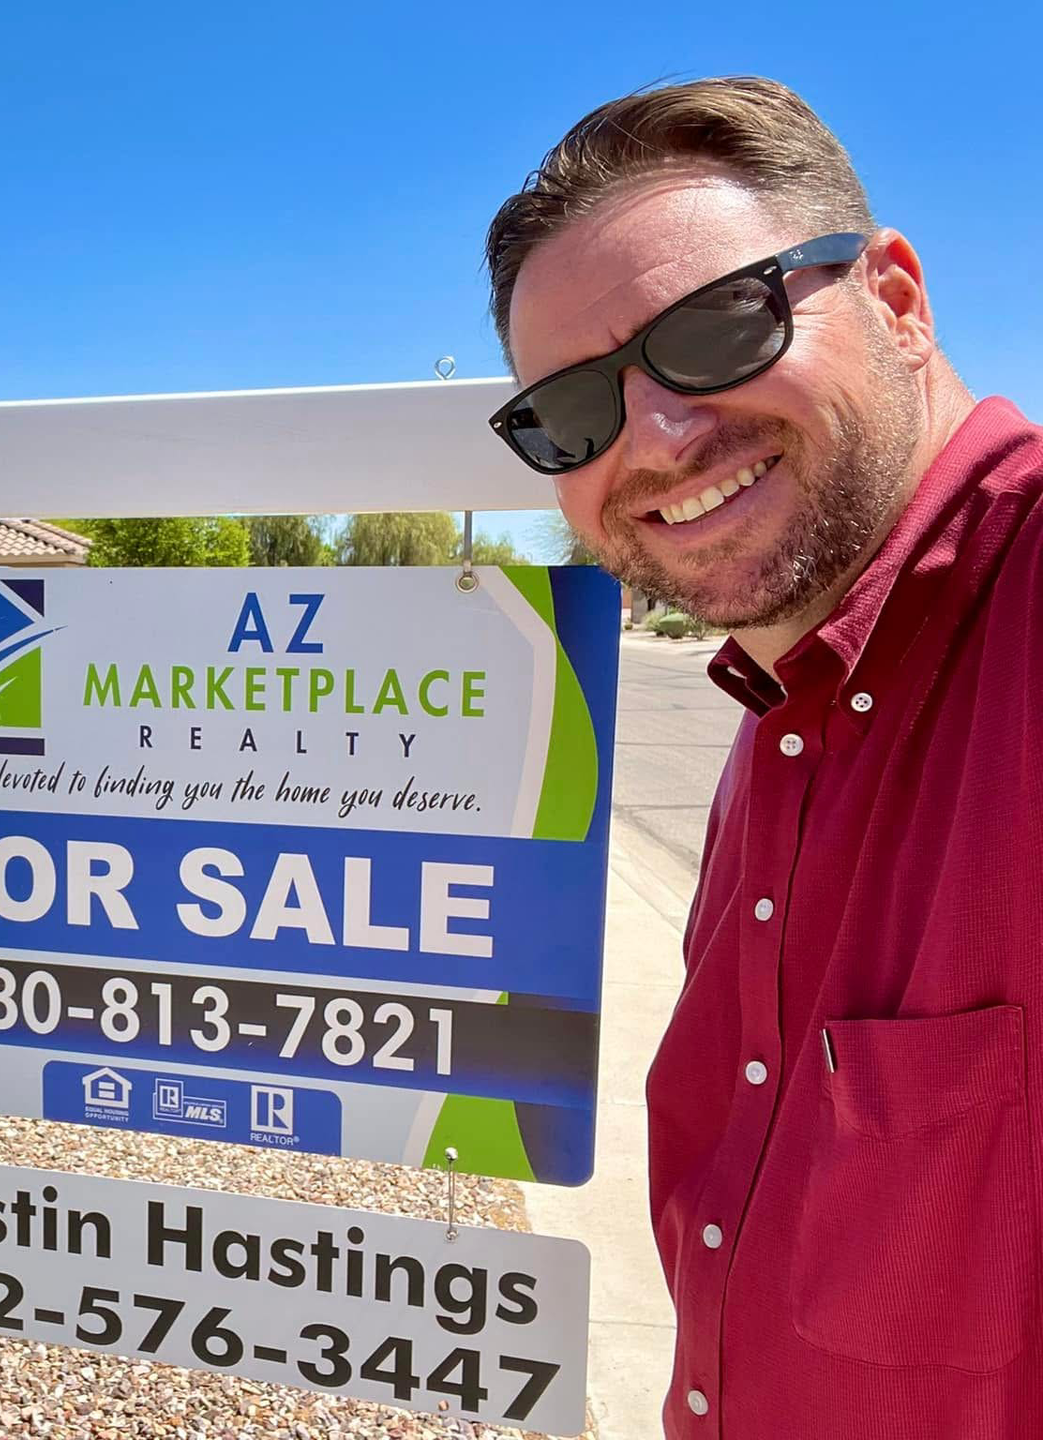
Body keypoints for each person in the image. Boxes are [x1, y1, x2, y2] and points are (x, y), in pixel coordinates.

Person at [484, 77, 1042, 1434]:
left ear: (897, 301)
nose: (657, 440)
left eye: (720, 326)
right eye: (572, 413)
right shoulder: (784, 706)